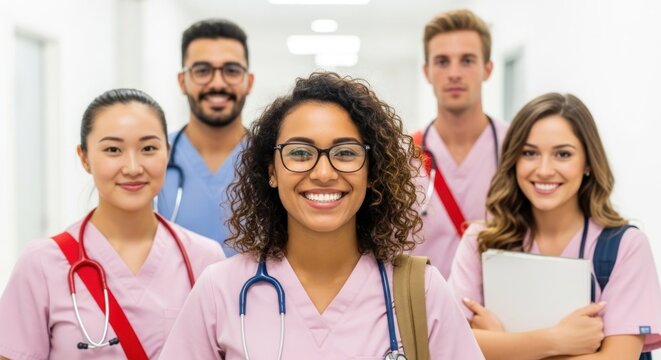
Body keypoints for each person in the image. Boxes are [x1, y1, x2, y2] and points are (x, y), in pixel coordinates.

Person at [159, 72, 484, 359]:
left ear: (372, 172)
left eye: (345, 153)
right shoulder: (220, 289)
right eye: (300, 153)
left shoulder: (422, 291)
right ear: (272, 171)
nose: (324, 172)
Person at [0, 89, 225, 360]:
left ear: (167, 152)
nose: (132, 167)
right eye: (113, 150)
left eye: (149, 148)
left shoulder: (204, 258)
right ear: (84, 157)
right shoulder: (42, 263)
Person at [449, 93, 661, 359]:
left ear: (587, 163)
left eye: (563, 154)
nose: (545, 170)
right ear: (514, 160)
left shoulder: (625, 247)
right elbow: (450, 343)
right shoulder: (480, 241)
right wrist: (557, 341)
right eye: (529, 153)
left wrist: (502, 345)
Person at [410, 9, 509, 278]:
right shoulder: (402, 156)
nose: (454, 73)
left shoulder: (517, 148)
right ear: (427, 71)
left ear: (487, 69)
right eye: (442, 62)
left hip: (497, 313)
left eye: (467, 60)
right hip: (424, 313)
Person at [155, 19, 254, 257]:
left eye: (231, 71)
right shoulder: (153, 156)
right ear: (183, 81)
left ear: (248, 82)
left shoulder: (273, 160)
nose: (217, 83)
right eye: (202, 71)